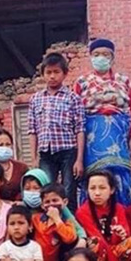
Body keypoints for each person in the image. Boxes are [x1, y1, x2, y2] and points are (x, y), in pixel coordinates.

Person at [74, 38, 131, 206]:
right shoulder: (81, 83)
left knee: (120, 180)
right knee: (95, 179)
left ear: (112, 57)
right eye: (96, 54)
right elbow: (74, 114)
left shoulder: (124, 82)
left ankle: (122, 220)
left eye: (105, 54)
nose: (100, 58)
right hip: (92, 141)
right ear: (90, 57)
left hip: (119, 140)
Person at [28, 52, 85, 212]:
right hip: (46, 153)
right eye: (48, 72)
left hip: (68, 152)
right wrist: (33, 158)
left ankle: (72, 229)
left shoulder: (73, 98)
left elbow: (80, 129)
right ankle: (49, 226)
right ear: (43, 74)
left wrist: (79, 159)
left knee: (68, 191)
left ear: (65, 73)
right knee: (47, 191)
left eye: (56, 72)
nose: (52, 76)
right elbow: (32, 130)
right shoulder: (35, 99)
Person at [32, 183, 79, 261]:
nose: (51, 204)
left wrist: (57, 219)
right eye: (47, 202)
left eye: (55, 200)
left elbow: (70, 238)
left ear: (65, 202)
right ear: (43, 206)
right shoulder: (36, 219)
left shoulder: (67, 223)